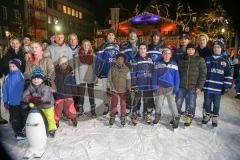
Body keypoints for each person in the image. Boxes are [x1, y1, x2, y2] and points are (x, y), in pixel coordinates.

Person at [202, 40, 233, 127]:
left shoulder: (225, 61)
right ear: (213, 48)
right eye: (215, 47)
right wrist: (201, 84)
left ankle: (215, 117)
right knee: (207, 103)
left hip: (218, 88)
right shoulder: (207, 59)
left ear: (221, 49)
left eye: (218, 47)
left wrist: (226, 86)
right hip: (208, 87)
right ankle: (207, 115)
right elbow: (203, 73)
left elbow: (228, 74)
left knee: (216, 104)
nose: (216, 48)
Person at [176, 43, 207, 126]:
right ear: (186, 50)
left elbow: (203, 74)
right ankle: (176, 115)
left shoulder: (200, 60)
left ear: (195, 50)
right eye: (189, 49)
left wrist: (199, 87)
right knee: (178, 101)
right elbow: (178, 72)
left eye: (192, 49)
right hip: (181, 86)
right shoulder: (182, 59)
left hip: (193, 86)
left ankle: (189, 116)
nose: (190, 51)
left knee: (191, 103)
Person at [23, 67, 57, 137]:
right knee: (41, 117)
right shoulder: (30, 87)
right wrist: (29, 98)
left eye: (38, 78)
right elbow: (24, 95)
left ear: (42, 80)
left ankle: (52, 129)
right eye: (34, 78)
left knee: (49, 117)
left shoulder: (46, 88)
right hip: (39, 106)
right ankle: (42, 127)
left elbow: (45, 97)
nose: (36, 80)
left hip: (48, 106)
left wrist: (38, 100)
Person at [153, 48, 180, 129]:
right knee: (158, 102)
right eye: (165, 53)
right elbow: (154, 76)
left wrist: (176, 86)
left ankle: (175, 118)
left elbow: (177, 77)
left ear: (171, 55)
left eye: (168, 53)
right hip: (160, 87)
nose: (167, 55)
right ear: (162, 54)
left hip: (170, 87)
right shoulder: (158, 63)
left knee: (172, 103)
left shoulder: (174, 64)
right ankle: (157, 115)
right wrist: (154, 86)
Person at [95, 28, 119, 115]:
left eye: (112, 35)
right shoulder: (103, 46)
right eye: (109, 35)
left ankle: (114, 107)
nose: (111, 36)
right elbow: (99, 59)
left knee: (114, 91)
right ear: (107, 36)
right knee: (105, 90)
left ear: (114, 36)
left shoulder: (117, 46)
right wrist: (98, 71)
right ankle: (106, 106)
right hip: (105, 72)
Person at [2, 59, 28, 139]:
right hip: (12, 103)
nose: (11, 68)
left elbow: (26, 89)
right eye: (10, 66)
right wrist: (6, 102)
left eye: (13, 66)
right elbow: (4, 90)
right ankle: (17, 132)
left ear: (18, 67)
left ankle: (24, 132)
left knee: (23, 117)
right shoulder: (7, 77)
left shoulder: (22, 76)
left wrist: (26, 101)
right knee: (14, 118)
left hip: (22, 102)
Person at [131, 43, 155, 125]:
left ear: (146, 50)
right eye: (140, 48)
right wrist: (134, 83)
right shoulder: (135, 59)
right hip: (138, 83)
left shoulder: (150, 60)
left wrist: (152, 83)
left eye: (144, 48)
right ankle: (134, 114)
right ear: (138, 49)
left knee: (146, 99)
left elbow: (153, 72)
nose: (142, 50)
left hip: (147, 83)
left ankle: (146, 114)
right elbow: (133, 73)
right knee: (136, 99)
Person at [120, 27, 141, 116]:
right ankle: (128, 108)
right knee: (128, 91)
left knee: (138, 92)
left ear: (137, 35)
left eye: (134, 33)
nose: (132, 35)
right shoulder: (124, 45)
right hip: (127, 72)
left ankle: (138, 108)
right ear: (129, 35)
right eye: (131, 33)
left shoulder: (141, 45)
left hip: (138, 72)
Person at [74, 40, 98, 116]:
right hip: (81, 77)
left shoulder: (93, 56)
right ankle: (81, 110)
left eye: (88, 45)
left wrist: (96, 78)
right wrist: (77, 79)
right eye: (84, 45)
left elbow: (95, 68)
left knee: (91, 94)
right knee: (81, 94)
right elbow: (76, 69)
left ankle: (93, 110)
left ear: (90, 46)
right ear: (82, 45)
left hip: (90, 77)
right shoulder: (77, 56)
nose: (86, 46)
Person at [54, 56, 78, 127]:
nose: (64, 65)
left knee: (70, 107)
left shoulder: (70, 71)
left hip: (68, 93)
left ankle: (73, 118)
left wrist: (74, 91)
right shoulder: (56, 72)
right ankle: (56, 121)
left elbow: (72, 82)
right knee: (58, 108)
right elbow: (54, 83)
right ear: (59, 64)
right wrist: (54, 91)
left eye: (65, 63)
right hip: (59, 94)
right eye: (62, 63)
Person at [108, 53, 131, 126]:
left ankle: (123, 116)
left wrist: (128, 89)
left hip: (123, 89)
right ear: (116, 60)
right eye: (118, 59)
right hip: (114, 89)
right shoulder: (112, 68)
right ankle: (112, 115)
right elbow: (109, 78)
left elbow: (128, 80)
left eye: (122, 59)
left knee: (123, 104)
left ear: (124, 60)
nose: (120, 60)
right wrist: (109, 87)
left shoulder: (126, 69)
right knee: (113, 103)